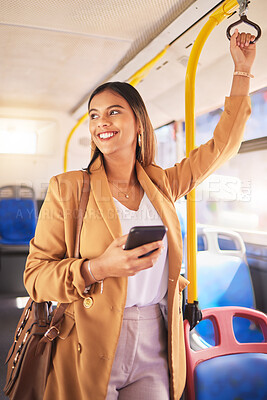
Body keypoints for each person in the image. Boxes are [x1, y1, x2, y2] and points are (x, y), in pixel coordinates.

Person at [24, 29, 256, 400]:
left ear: (138, 123)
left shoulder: (161, 183)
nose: (102, 121)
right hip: (89, 334)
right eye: (94, 115)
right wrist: (97, 267)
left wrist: (242, 71)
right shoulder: (68, 187)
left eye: (114, 111)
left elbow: (221, 148)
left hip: (155, 335)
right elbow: (35, 278)